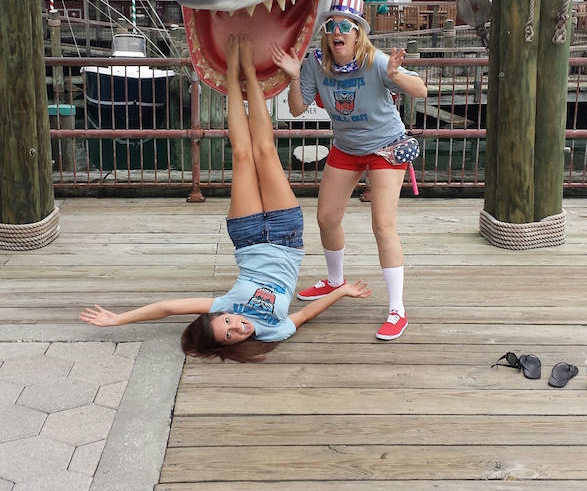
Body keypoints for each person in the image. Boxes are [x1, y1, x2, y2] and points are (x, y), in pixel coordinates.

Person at [80, 34, 371, 362]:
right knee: (265, 150)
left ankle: (235, 71)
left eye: (227, 323)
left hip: (247, 237)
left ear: (221, 315)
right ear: (230, 346)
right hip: (287, 236)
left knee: (243, 154)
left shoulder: (225, 304)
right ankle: (251, 73)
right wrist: (341, 291)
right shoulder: (274, 331)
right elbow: (304, 315)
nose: (237, 325)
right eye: (230, 335)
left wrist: (118, 319)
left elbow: (167, 307)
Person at [272, 0, 427, 341]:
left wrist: (396, 75)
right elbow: (296, 109)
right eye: (331, 26)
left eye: (346, 26)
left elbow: (421, 90)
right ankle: (335, 280)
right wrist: (294, 76)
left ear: (358, 33)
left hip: (386, 147)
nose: (337, 32)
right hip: (346, 147)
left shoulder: (376, 61)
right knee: (326, 218)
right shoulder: (316, 64)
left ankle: (397, 309)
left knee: (382, 225)